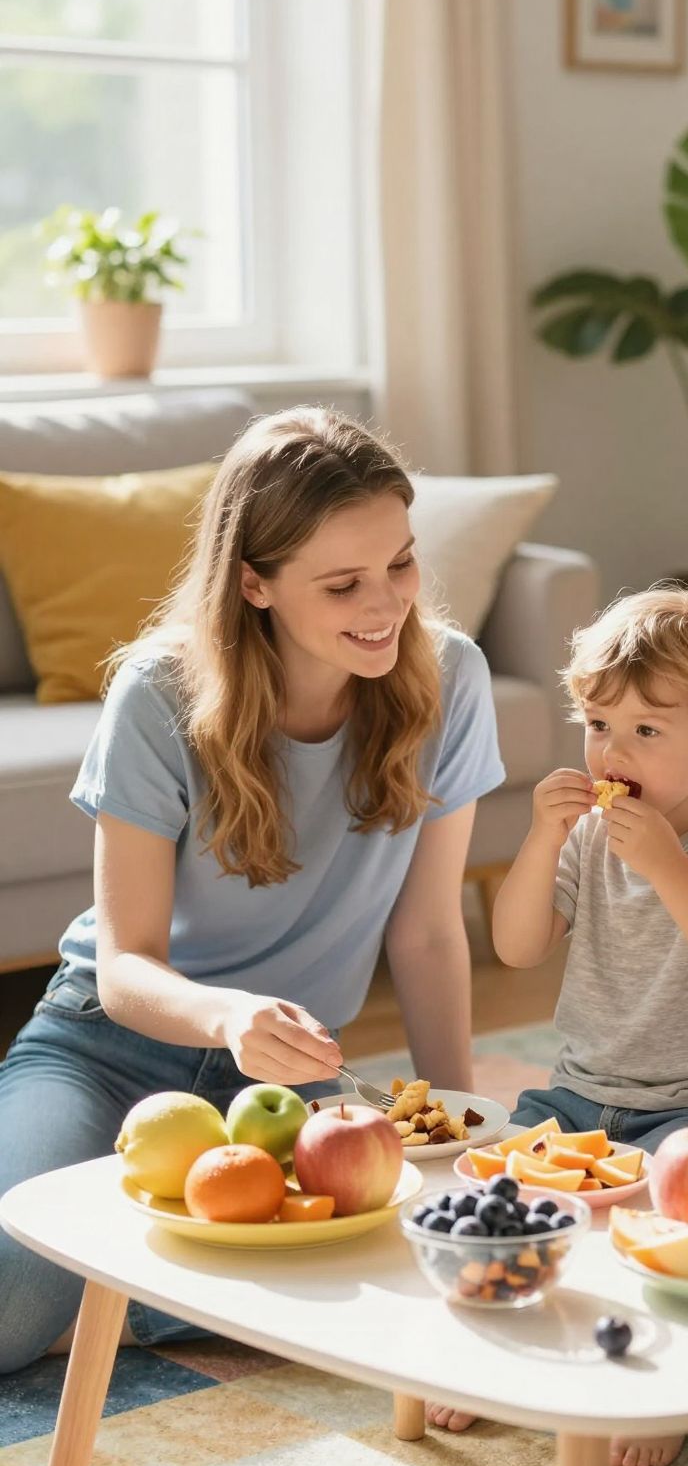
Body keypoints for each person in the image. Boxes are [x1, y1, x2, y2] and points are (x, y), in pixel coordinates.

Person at [0, 406, 504, 1374]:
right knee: (11, 1305)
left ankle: (118, 1261)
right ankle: (109, 1252)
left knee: (367, 1274)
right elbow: (125, 963)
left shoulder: (453, 679)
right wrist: (230, 1016)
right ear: (255, 581)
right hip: (104, 1046)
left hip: (285, 1078)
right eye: (344, 582)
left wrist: (458, 1137)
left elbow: (432, 933)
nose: (388, 603)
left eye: (400, 563)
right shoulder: (158, 694)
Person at [425, 586, 688, 1466]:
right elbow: (518, 948)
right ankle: (486, 1361)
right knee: (490, 1197)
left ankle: (657, 1385)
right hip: (582, 1091)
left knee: (669, 1228)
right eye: (599, 725)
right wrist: (540, 842)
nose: (613, 750)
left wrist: (670, 866)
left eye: (646, 730)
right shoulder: (590, 839)